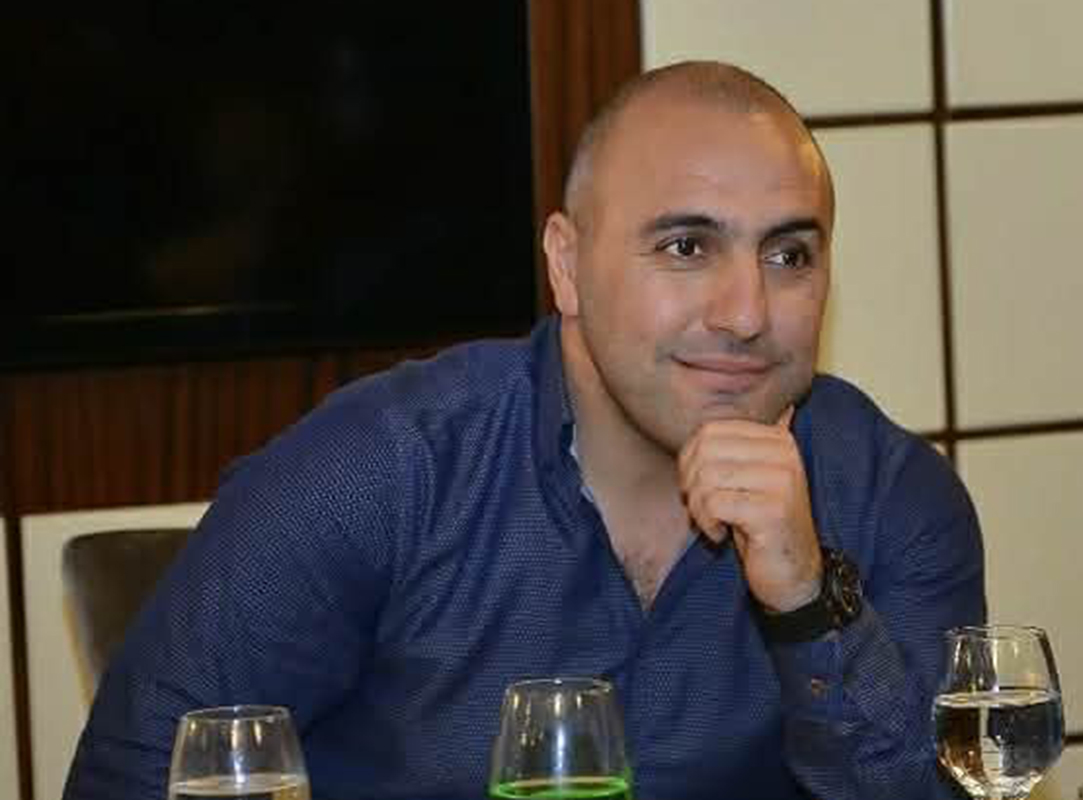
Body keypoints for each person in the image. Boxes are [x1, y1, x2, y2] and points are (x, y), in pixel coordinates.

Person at [64, 61, 984, 800]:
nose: (746, 312)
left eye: (789, 254)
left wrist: (808, 600)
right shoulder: (382, 469)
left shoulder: (890, 495)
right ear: (567, 266)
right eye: (686, 247)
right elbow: (136, 774)